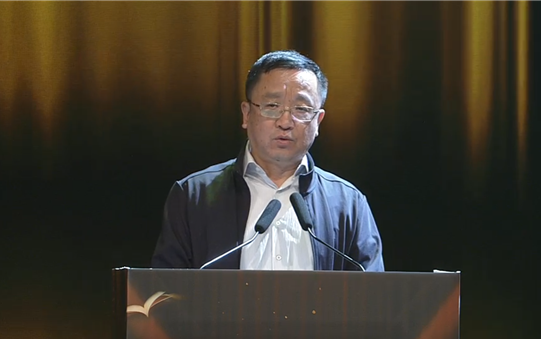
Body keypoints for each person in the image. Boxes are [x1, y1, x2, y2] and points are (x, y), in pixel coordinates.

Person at [151, 50, 384, 271]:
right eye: (272, 106)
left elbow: (372, 291)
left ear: (318, 121)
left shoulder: (348, 203)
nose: (285, 122)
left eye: (301, 109)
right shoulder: (193, 195)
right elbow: (164, 290)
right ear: (246, 114)